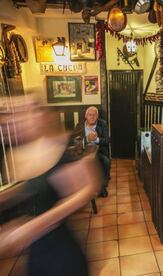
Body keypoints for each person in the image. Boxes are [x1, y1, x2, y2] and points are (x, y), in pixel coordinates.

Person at [0, 96, 101, 276]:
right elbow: (31, 189)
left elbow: (88, 187)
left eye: (22, 113)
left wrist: (31, 227)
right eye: (8, 116)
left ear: (43, 116)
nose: (12, 120)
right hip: (36, 250)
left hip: (61, 252)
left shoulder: (59, 145)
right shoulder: (17, 155)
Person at [73, 106, 110, 197]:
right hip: (84, 152)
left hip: (99, 151)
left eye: (94, 115)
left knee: (105, 161)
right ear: (86, 116)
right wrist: (87, 139)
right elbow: (74, 141)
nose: (92, 117)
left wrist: (96, 139)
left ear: (97, 116)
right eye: (90, 115)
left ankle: (102, 186)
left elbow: (107, 140)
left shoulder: (102, 124)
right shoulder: (80, 125)